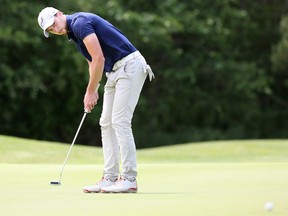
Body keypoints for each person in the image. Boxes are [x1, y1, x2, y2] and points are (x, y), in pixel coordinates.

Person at [38, 7, 154, 193]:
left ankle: (130, 179)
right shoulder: (74, 35)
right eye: (51, 30)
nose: (56, 30)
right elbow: (92, 63)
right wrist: (92, 89)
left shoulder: (80, 23)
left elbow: (99, 58)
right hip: (115, 72)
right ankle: (110, 178)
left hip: (130, 66)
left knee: (120, 121)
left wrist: (91, 91)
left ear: (59, 14)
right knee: (106, 123)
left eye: (54, 25)